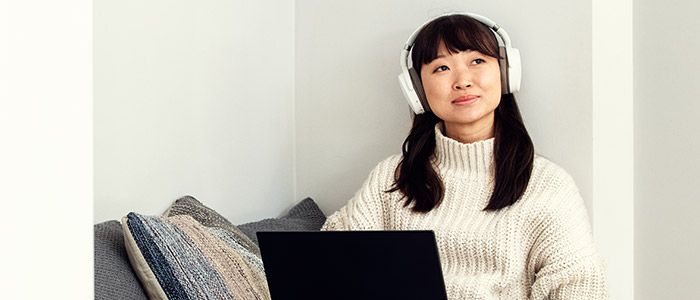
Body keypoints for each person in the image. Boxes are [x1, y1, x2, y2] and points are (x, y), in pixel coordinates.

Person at [321, 13, 608, 299]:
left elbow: (579, 286)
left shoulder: (548, 185)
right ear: (417, 91)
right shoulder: (392, 178)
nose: (462, 81)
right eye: (441, 68)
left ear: (506, 73)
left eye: (477, 61)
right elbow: (325, 261)